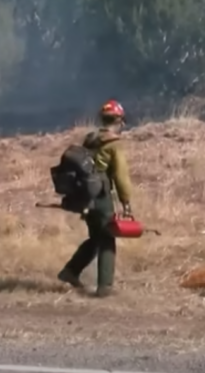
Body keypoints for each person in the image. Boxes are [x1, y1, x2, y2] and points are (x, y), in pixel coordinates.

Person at [57, 99, 134, 298]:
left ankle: (70, 271)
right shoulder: (114, 144)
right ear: (119, 121)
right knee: (107, 239)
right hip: (101, 196)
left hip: (86, 196)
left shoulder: (90, 139)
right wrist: (126, 202)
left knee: (95, 238)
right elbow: (120, 175)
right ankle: (105, 287)